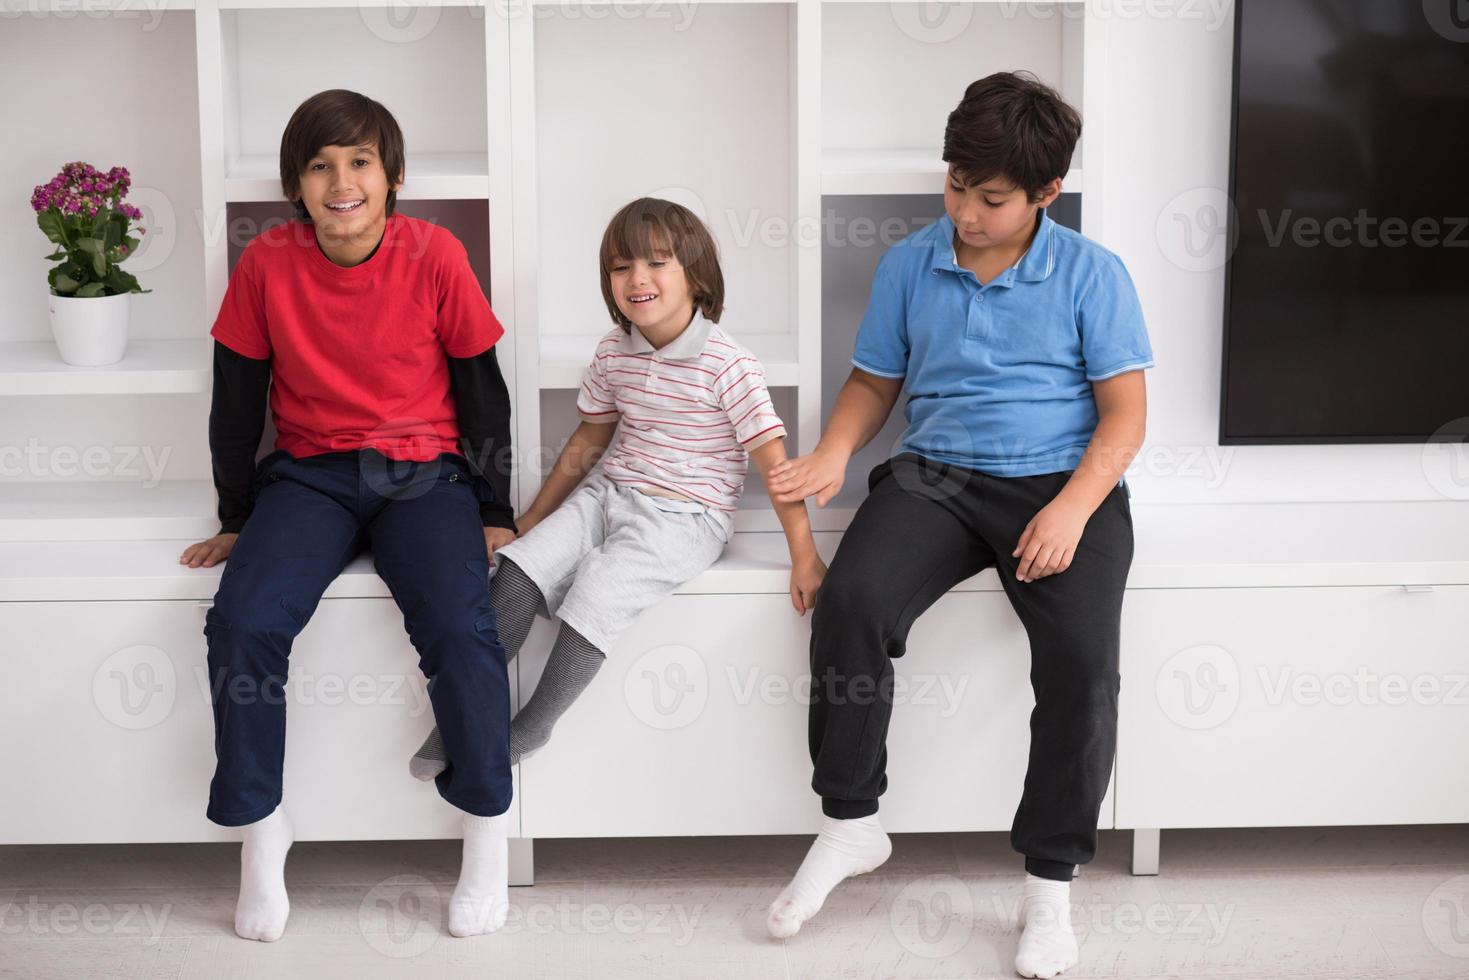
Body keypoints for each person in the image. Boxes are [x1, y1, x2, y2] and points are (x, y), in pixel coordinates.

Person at [765, 71, 1154, 979]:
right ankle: (850, 824)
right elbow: (874, 381)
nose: (963, 213)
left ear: (1046, 194)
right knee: (852, 605)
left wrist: (1067, 508)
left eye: (988, 200)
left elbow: (1125, 420)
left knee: (1083, 667)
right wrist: (833, 452)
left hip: (1062, 481)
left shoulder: (1093, 275)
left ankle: (1048, 887)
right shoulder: (910, 262)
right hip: (936, 478)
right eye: (954, 187)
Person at [179, 89, 518, 941]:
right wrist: (235, 514)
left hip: (424, 475)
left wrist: (495, 505)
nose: (341, 181)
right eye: (321, 166)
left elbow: (482, 389)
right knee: (243, 620)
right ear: (296, 185)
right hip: (310, 476)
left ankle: (485, 831)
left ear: (392, 175)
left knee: (458, 622)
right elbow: (237, 397)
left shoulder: (435, 254)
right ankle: (262, 833)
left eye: (359, 162)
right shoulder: (266, 264)